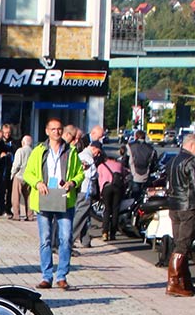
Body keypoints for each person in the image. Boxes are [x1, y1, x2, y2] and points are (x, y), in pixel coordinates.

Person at [23, 116, 84, 290]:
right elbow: (28, 173)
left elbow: (80, 174)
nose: (56, 132)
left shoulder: (71, 152)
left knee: (65, 238)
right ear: (47, 131)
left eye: (59, 129)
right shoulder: (39, 151)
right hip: (45, 197)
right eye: (53, 129)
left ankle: (62, 276)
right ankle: (46, 276)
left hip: (64, 198)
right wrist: (37, 183)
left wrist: (72, 183)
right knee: (46, 239)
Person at [165, 131, 195, 297]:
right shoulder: (192, 161)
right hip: (187, 206)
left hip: (174, 206)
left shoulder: (172, 161)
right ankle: (174, 282)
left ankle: (185, 282)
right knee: (183, 245)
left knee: (180, 244)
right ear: (190, 145)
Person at [91, 143, 126, 241]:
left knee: (107, 210)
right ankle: (113, 233)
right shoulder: (119, 165)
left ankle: (105, 232)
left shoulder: (101, 166)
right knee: (115, 210)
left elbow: (100, 180)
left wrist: (100, 193)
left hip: (106, 187)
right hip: (118, 188)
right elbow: (124, 176)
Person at [126, 129, 157, 195]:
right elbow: (154, 163)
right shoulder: (151, 149)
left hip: (134, 175)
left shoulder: (130, 146)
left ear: (136, 137)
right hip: (146, 176)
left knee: (134, 197)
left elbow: (125, 160)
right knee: (145, 196)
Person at [10, 134, 33, 220]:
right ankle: (30, 215)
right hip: (29, 177)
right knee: (29, 197)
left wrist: (12, 174)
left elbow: (16, 164)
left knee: (16, 196)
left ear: (23, 142)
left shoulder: (20, 151)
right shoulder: (33, 151)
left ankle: (16, 215)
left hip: (19, 176)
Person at [0, 123, 15, 216]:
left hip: (10, 169)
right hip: (0, 170)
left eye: (9, 132)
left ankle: (8, 208)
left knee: (10, 191)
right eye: (5, 133)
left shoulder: (13, 142)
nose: (7, 134)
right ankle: (1, 209)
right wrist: (0, 156)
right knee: (0, 191)